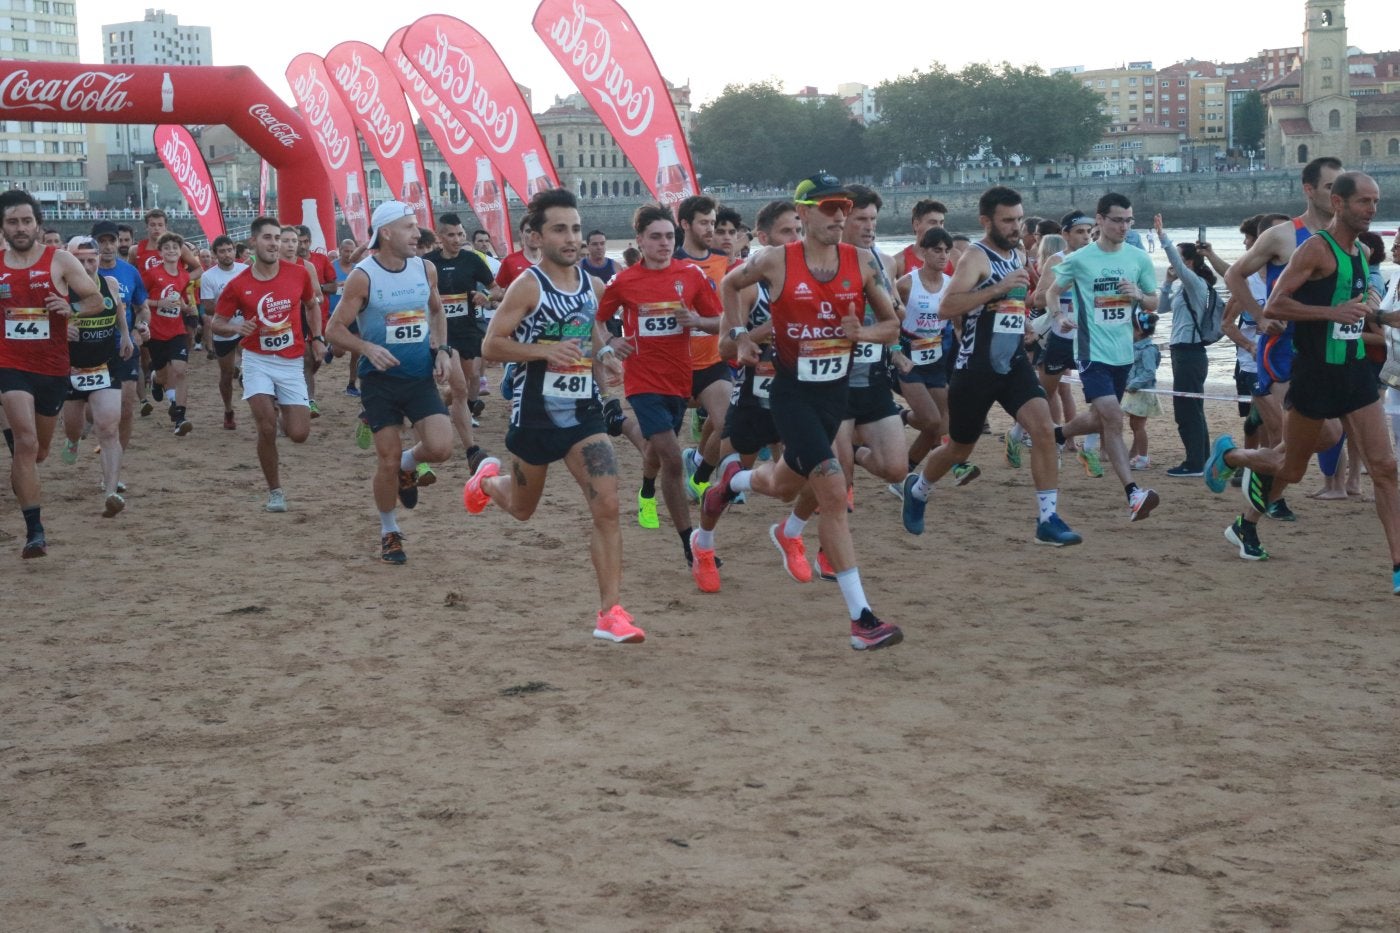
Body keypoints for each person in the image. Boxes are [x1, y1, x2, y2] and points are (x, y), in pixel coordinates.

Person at [704, 172, 905, 650]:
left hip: (833, 398)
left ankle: (730, 486)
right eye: (830, 208)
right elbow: (730, 287)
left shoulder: (860, 263)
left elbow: (893, 326)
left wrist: (865, 334)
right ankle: (862, 620)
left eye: (844, 208)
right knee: (834, 490)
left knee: (781, 484)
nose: (840, 216)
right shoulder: (774, 261)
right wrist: (731, 337)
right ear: (805, 212)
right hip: (790, 393)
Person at [462, 188, 642, 643]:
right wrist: (545, 351)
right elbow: (491, 346)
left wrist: (607, 356)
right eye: (560, 229)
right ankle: (485, 481)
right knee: (522, 510)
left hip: (582, 412)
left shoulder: (593, 285)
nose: (572, 238)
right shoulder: (528, 285)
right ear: (537, 237)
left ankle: (610, 613)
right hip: (536, 414)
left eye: (576, 229)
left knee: (608, 505)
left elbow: (592, 336)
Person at [1206, 172, 1400, 591]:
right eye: (1364, 201)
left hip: (1355, 374)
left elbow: (1351, 308)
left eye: (1375, 201)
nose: (1371, 209)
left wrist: (1377, 314)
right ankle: (1233, 457)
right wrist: (1330, 314)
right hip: (1313, 375)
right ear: (1338, 202)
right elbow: (1278, 303)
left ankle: (1398, 565)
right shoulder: (1314, 249)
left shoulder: (1362, 252)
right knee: (1290, 469)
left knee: (1385, 469)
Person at [901, 186, 1081, 547]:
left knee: (1044, 429)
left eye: (1018, 219)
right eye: (1007, 220)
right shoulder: (975, 258)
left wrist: (1025, 322)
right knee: (958, 450)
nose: (1016, 227)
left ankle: (1047, 518)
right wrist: (997, 289)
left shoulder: (1016, 254)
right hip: (975, 369)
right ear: (986, 221)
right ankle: (918, 489)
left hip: (1012, 363)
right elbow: (947, 307)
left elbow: (1006, 308)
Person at [326, 201, 454, 564]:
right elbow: (333, 330)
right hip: (379, 381)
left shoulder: (425, 268)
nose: (418, 233)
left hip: (418, 377)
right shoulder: (363, 276)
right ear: (386, 233)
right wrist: (366, 345)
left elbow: (436, 309)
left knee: (442, 448)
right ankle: (389, 531)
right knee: (386, 457)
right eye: (410, 227)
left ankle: (407, 467)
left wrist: (442, 349)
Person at [598, 204, 722, 574]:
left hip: (679, 378)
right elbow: (599, 317)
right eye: (655, 237)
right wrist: (609, 343)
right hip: (641, 379)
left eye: (669, 236)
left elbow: (720, 322)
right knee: (671, 454)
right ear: (639, 240)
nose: (664, 243)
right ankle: (691, 544)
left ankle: (640, 472)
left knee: (655, 448)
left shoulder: (692, 275)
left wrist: (697, 320)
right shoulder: (624, 281)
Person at [1222, 157, 1344, 517]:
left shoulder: (1345, 240)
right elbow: (1233, 275)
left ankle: (1237, 461)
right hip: (1282, 351)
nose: (1337, 194)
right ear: (1309, 190)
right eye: (1329, 187)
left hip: (1323, 353)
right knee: (1292, 440)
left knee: (1322, 438)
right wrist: (1260, 317)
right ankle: (1262, 499)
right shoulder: (1283, 235)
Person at [1045, 192, 1161, 521]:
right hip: (1090, 350)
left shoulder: (1138, 258)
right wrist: (1057, 316)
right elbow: (1053, 290)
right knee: (1113, 417)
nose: (1124, 226)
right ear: (1100, 219)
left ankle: (1058, 434)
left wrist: (1138, 294)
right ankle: (1133, 493)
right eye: (1117, 220)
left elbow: (1154, 301)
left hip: (1124, 353)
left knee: (1100, 417)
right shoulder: (1081, 259)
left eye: (1128, 220)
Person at [0, 189, 103, 557]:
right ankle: (35, 532)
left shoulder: (58, 260)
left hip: (52, 368)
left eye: (26, 220)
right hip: (9, 364)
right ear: (3, 227)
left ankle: (21, 449)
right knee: (26, 443)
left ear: (38, 224)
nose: (21, 227)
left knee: (39, 451)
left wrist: (70, 306)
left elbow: (96, 300)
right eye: (13, 221)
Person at [212, 217, 322, 512]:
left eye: (278, 238)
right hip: (257, 360)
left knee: (299, 434)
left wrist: (318, 338)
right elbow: (216, 323)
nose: (274, 244)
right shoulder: (238, 285)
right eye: (268, 238)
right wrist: (237, 328)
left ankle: (280, 405)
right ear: (253, 243)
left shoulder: (298, 274)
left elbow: (312, 305)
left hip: (290, 363)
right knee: (267, 427)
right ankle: (275, 491)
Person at [59, 238, 133, 517]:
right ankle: (73, 441)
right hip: (71, 369)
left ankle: (111, 491)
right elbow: (45, 320)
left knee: (108, 428)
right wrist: (61, 329)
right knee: (73, 427)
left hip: (105, 365)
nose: (88, 266)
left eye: (93, 260)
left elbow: (119, 310)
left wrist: (125, 335)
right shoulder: (62, 288)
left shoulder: (109, 284)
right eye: (82, 261)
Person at [673, 195, 735, 502]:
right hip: (674, 365)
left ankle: (699, 477)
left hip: (712, 361)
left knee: (728, 424)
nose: (710, 229)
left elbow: (732, 313)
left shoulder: (725, 263)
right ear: (685, 224)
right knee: (658, 446)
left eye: (713, 222)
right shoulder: (669, 264)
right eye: (704, 223)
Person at [1154, 213, 1225, 477]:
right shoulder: (1183, 287)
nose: (1175, 265)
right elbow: (1161, 309)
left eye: (1182, 260)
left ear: (1191, 262)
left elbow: (1180, 265)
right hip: (1181, 351)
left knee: (1187, 408)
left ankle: (1195, 462)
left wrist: (1163, 238)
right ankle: (1200, 459)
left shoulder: (1197, 284)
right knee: (1190, 407)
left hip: (1191, 352)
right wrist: (1167, 282)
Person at [423, 212, 494, 470]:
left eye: (460, 234)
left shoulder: (472, 260)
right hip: (443, 334)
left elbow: (497, 289)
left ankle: (433, 405)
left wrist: (486, 295)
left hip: (468, 331)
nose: (457, 239)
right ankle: (471, 449)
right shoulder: (427, 263)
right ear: (440, 237)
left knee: (466, 383)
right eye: (451, 235)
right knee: (462, 390)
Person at [91, 220, 148, 450]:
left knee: (126, 407)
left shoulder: (130, 272)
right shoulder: (82, 271)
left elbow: (142, 307)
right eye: (101, 242)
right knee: (89, 410)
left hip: (124, 346)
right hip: (91, 348)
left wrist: (139, 327)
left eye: (111, 241)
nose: (106, 246)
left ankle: (117, 458)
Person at [140, 231, 196, 436]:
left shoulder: (183, 275)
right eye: (167, 248)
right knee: (164, 374)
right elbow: (140, 299)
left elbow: (178, 296)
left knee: (180, 370)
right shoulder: (152, 274)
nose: (172, 251)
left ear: (181, 252)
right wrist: (159, 303)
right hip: (155, 332)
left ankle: (180, 418)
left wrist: (185, 307)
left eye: (175, 247)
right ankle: (155, 378)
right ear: (160, 252)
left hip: (176, 330)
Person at [200, 235, 248, 430]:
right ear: (215, 254)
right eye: (222, 251)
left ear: (234, 250)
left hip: (246, 326)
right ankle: (228, 410)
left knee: (252, 367)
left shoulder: (245, 271)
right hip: (224, 329)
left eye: (229, 250)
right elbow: (208, 307)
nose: (227, 254)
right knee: (226, 374)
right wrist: (229, 305)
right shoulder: (209, 276)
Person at [1123, 310, 1162, 470]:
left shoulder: (1148, 350)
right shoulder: (1136, 347)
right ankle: (1134, 454)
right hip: (1136, 392)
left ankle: (1144, 458)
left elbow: (1149, 372)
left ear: (1138, 331)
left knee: (1138, 426)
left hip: (1142, 393)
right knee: (1135, 425)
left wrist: (1133, 384)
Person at [891, 199, 948, 279]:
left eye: (941, 223)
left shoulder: (954, 259)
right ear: (916, 225)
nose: (939, 228)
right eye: (933, 223)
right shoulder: (898, 262)